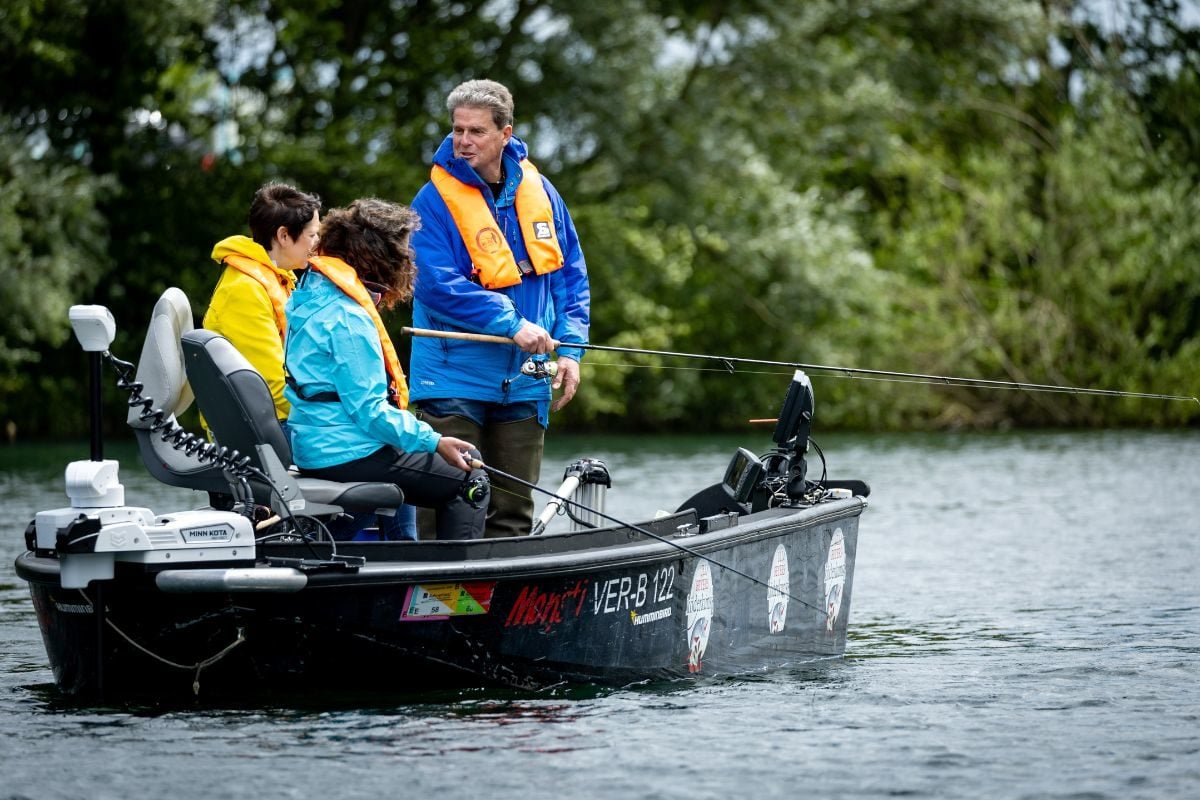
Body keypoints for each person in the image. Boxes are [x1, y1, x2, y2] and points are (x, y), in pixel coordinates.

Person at [409, 78, 590, 539]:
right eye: (457, 130)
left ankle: (499, 609)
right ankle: (437, 607)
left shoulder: (542, 192)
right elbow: (435, 286)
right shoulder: (432, 201)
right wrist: (510, 323)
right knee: (449, 510)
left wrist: (570, 350)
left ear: (505, 134)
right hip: (452, 380)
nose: (463, 141)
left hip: (526, 381)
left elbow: (572, 278)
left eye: (477, 132)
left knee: (511, 515)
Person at [205, 182, 415, 539]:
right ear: (284, 236)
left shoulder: (277, 280)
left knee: (385, 440)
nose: (318, 246)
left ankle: (387, 553)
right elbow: (272, 387)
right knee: (386, 449)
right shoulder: (244, 291)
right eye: (313, 236)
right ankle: (400, 559)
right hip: (266, 432)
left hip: (279, 423)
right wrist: (339, 419)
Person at [284, 198, 488, 541]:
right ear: (381, 258)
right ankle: (456, 591)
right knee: (470, 474)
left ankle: (399, 560)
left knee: (420, 458)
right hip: (345, 453)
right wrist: (434, 441)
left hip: (312, 447)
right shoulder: (347, 317)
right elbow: (371, 414)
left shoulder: (307, 294)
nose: (410, 261)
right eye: (405, 253)